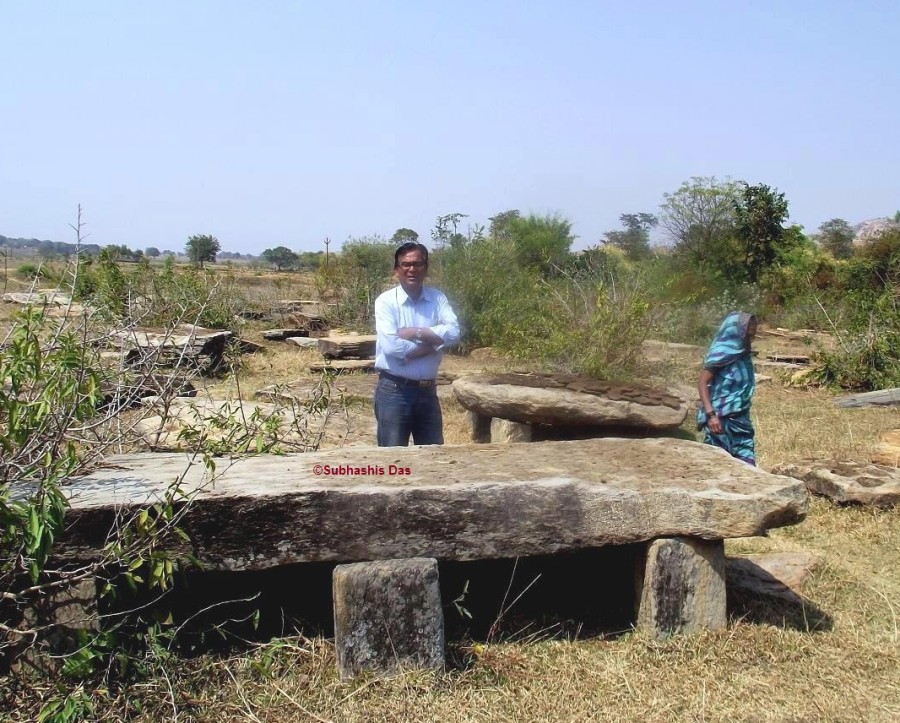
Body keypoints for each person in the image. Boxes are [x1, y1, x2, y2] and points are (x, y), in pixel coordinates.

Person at [373, 241, 460, 446]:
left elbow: (455, 332)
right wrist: (434, 343)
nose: (412, 269)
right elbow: (393, 348)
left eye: (418, 264)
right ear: (396, 270)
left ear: (426, 268)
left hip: (428, 393)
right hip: (395, 391)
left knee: (433, 459)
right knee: (393, 460)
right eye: (405, 264)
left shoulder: (438, 299)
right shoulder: (386, 302)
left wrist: (415, 332)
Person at [697, 311, 758, 465]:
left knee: (747, 467)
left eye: (752, 336)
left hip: (741, 422)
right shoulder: (721, 354)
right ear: (737, 332)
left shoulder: (744, 357)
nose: (749, 340)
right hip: (719, 422)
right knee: (718, 466)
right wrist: (711, 416)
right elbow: (702, 382)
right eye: (747, 335)